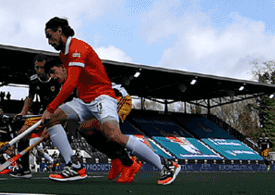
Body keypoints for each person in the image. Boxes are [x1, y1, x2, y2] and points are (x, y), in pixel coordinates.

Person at [40, 17, 179, 185]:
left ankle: (165, 165)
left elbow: (71, 82)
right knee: (55, 119)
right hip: (84, 100)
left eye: (50, 36)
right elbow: (74, 82)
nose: (49, 42)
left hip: (102, 96)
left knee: (112, 133)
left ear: (59, 31)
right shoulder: (63, 55)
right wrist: (54, 115)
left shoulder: (77, 48)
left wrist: (50, 107)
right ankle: (74, 166)